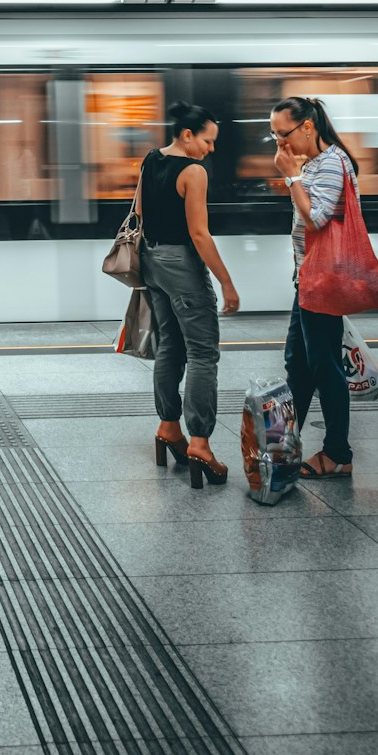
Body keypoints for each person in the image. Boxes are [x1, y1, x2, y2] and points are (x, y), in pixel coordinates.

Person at [138, 102, 240, 487]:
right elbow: (199, 234)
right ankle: (199, 441)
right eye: (207, 141)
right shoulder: (193, 171)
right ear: (187, 135)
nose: (210, 149)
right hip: (181, 264)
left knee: (170, 346)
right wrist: (226, 282)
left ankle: (168, 426)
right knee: (202, 352)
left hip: (152, 261)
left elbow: (145, 214)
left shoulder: (150, 160)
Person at [271, 94, 360, 480]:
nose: (280, 145)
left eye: (283, 134)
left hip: (322, 281)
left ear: (307, 126)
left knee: (324, 369)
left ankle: (337, 454)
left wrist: (291, 176)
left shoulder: (330, 162)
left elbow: (318, 218)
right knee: (300, 365)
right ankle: (282, 447)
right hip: (309, 278)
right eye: (273, 137)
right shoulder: (316, 163)